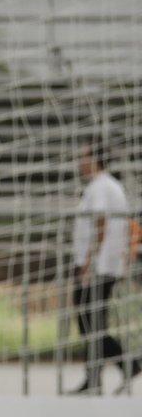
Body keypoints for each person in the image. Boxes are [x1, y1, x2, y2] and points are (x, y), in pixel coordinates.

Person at [68, 143, 133, 393]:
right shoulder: (104, 186)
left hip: (99, 267)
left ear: (95, 159)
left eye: (83, 156)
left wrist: (88, 264)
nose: (79, 162)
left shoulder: (102, 187)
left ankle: (130, 364)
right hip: (104, 264)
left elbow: (101, 224)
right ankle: (94, 378)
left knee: (90, 323)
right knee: (92, 323)